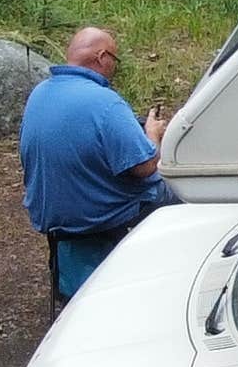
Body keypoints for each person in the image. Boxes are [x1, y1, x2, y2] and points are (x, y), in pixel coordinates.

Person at [21, 26, 175, 299]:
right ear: (102, 57)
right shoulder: (105, 103)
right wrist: (152, 134)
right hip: (99, 214)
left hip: (58, 214)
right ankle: (172, 284)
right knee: (183, 192)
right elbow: (144, 166)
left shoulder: (40, 93)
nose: (114, 67)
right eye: (114, 60)